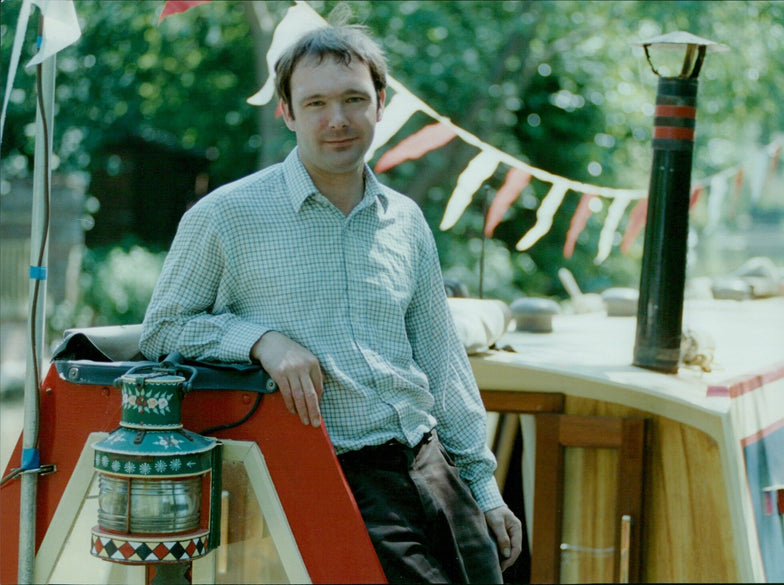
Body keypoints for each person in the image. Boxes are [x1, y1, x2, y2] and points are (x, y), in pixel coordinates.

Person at [140, 21, 522, 584]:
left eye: (353, 100)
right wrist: (260, 342)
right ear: (287, 113)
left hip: (429, 462)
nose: (337, 120)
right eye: (315, 103)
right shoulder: (225, 216)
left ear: (380, 104)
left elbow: (443, 363)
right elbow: (164, 330)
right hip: (329, 469)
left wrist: (485, 490)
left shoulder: (406, 221)